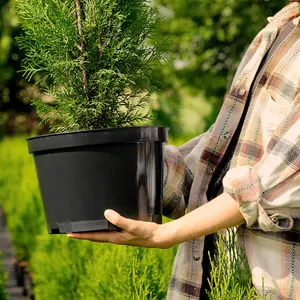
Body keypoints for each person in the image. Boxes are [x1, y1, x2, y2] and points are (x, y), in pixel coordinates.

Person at [68, 1, 300, 299]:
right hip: (206, 277)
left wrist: (164, 234)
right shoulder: (281, 26)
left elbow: (277, 180)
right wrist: (113, 153)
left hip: (271, 285)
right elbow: (224, 152)